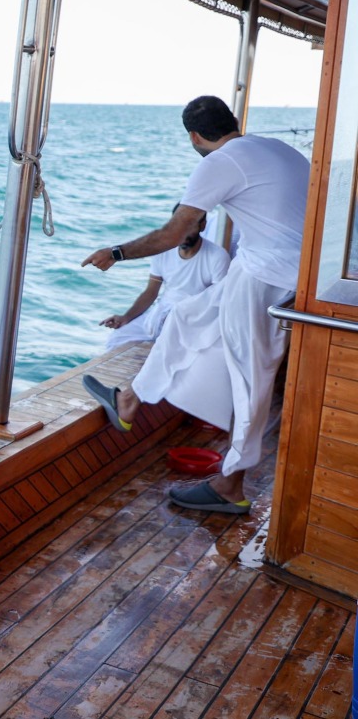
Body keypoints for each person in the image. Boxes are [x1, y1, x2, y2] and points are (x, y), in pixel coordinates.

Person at [82, 96, 309, 514]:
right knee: (186, 316)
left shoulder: (218, 162)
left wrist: (115, 253)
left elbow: (175, 232)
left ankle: (230, 484)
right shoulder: (277, 148)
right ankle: (130, 399)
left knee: (250, 377)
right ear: (234, 121)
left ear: (194, 136)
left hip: (267, 278)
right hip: (284, 270)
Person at [99, 204, 231, 350]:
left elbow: (218, 302)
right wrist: (126, 318)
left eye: (189, 227)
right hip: (160, 314)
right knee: (118, 337)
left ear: (202, 226)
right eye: (179, 228)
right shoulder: (163, 252)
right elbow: (151, 292)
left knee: (165, 345)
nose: (183, 234)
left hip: (192, 318)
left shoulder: (217, 257)